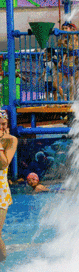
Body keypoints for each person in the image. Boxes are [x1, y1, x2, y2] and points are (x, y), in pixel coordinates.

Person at [0, 109, 19, 262]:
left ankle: (3, 265)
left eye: (3, 124)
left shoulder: (11, 140)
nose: (1, 127)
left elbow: (4, 163)